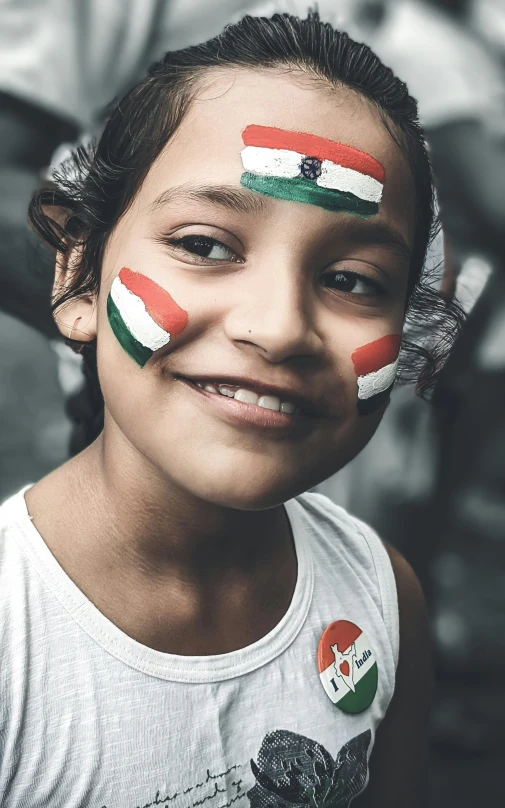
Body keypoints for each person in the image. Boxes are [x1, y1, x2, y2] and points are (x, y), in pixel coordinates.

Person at [0, 12, 460, 806]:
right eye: (205, 245)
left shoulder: (384, 597)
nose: (279, 327)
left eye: (351, 279)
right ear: (78, 276)